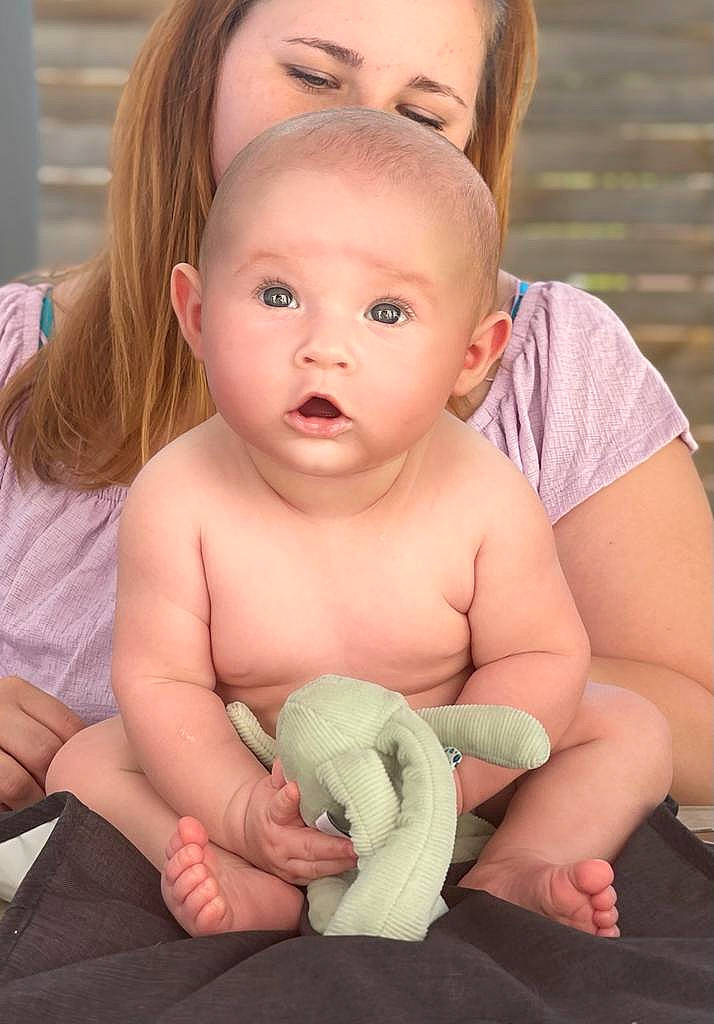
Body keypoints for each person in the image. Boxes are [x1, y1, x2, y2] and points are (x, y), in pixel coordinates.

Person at [0, 0, 710, 814]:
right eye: (312, 75)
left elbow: (690, 731)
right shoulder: (15, 355)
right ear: (201, 65)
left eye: (423, 116)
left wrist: (422, 698)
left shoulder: (556, 365)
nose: (362, 134)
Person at [46, 108, 672, 940]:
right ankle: (248, 877)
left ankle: (517, 865)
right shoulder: (177, 496)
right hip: (263, 769)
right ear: (196, 314)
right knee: (87, 763)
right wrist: (241, 810)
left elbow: (539, 658)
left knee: (628, 727)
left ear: (471, 355)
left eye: (386, 312)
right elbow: (163, 685)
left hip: (445, 754)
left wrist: (446, 784)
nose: (324, 348)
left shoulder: (483, 494)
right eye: (278, 296)